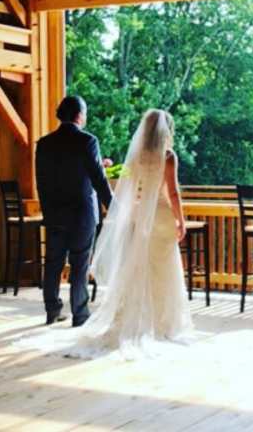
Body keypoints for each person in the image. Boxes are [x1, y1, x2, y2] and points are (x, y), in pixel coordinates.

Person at [24, 109, 192, 359]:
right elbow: (174, 192)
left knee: (137, 267)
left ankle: (133, 318)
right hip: (159, 215)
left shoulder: (136, 157)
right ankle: (163, 323)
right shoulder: (168, 156)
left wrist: (126, 210)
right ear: (166, 130)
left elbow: (132, 189)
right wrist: (181, 220)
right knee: (163, 268)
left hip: (136, 215)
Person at [36, 96, 113, 327]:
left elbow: (41, 181)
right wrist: (115, 208)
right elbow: (99, 180)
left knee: (53, 263)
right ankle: (79, 314)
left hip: (55, 213)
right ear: (79, 115)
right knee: (80, 263)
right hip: (82, 214)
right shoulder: (88, 141)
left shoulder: (45, 143)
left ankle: (52, 310)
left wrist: (47, 211)